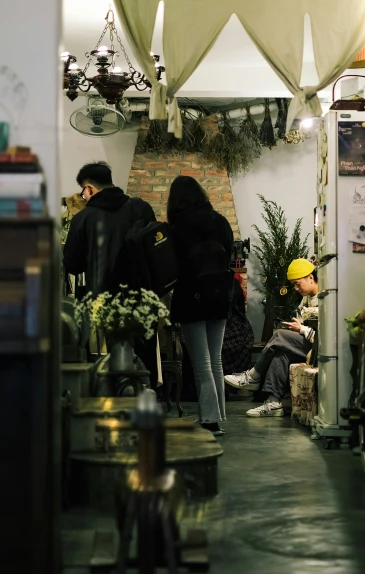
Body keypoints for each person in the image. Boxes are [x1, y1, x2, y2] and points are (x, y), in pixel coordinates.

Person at [63, 161, 158, 383]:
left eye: (83, 192)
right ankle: (150, 398)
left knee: (119, 355)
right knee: (146, 353)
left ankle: (125, 401)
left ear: (89, 188)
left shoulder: (83, 218)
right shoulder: (140, 207)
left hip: (108, 298)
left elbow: (73, 264)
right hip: (145, 294)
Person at [167, 175, 233, 436]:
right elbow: (228, 255)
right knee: (214, 359)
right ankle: (217, 415)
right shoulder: (220, 221)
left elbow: (172, 267)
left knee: (201, 362)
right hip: (220, 294)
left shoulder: (176, 228)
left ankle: (209, 420)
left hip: (191, 296)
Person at [225, 258, 319, 417]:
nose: (296, 288)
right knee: (280, 355)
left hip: (319, 346)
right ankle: (273, 403)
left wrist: (301, 328)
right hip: (308, 344)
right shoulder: (306, 299)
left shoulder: (324, 298)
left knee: (278, 335)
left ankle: (253, 376)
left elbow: (324, 334)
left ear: (310, 277)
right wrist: (298, 327)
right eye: (294, 285)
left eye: (298, 283)